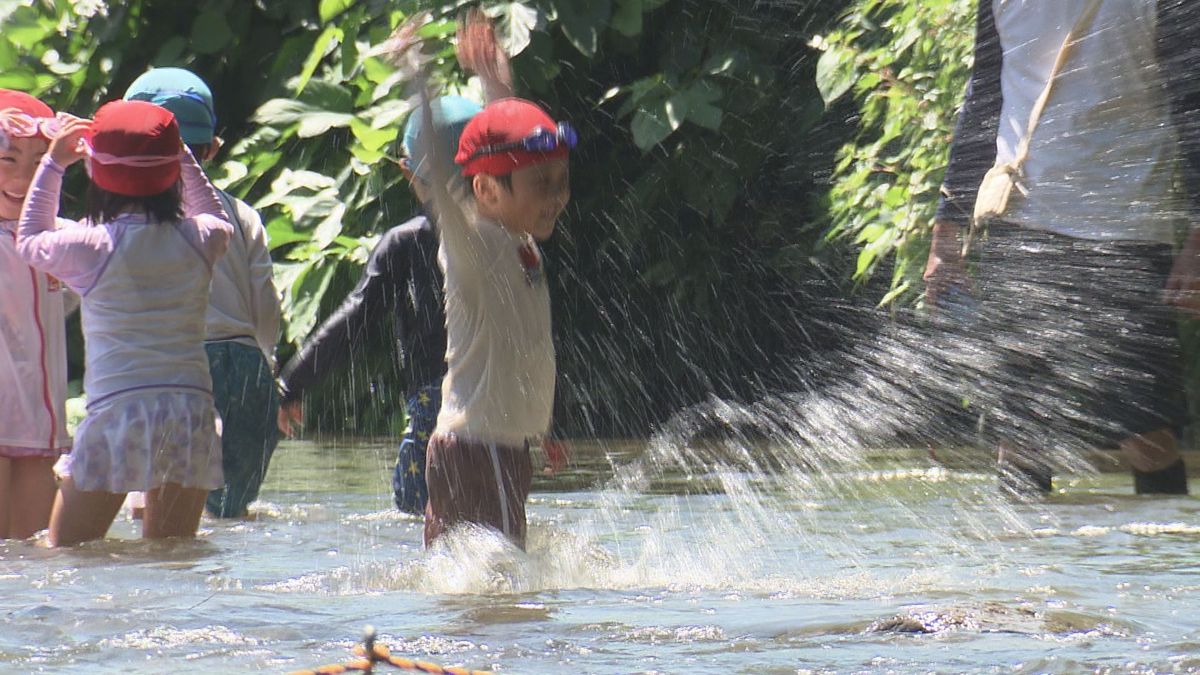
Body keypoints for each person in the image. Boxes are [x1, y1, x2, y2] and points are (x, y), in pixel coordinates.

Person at [925, 0, 1199, 495]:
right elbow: (984, 97)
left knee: (1142, 427)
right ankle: (1027, 565)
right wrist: (945, 235)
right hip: (1021, 220)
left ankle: (1167, 564)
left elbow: (1193, 104)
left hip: (1127, 225)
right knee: (1020, 424)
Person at [395, 16, 575, 548]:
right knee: (482, 590)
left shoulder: (519, 240)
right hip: (470, 451)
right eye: (542, 184)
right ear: (486, 191)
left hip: (507, 450)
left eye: (561, 182)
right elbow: (440, 175)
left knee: (502, 592)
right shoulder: (471, 245)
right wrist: (417, 80)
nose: (556, 197)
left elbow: (504, 137)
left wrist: (496, 82)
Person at [18, 100, 233, 546]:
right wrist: (181, 156)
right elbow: (216, 214)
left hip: (119, 413)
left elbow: (31, 240)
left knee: (67, 553)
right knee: (170, 556)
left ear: (96, 173)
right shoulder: (200, 240)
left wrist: (55, 163)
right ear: (173, 170)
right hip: (188, 411)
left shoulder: (92, 246)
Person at [275, 95, 480, 516]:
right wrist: (550, 419)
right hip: (501, 407)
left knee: (417, 522)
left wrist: (291, 383)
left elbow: (355, 319)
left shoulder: (405, 243)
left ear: (408, 171)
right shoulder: (505, 240)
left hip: (434, 410)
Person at [124, 67, 282, 519]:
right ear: (211, 149)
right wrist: (264, 362)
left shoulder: (131, 219)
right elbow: (265, 301)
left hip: (179, 364)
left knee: (160, 503)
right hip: (248, 366)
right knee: (230, 510)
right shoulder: (240, 214)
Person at [0, 91, 70, 539]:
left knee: (31, 566)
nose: (23, 177)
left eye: (41, 160)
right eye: (7, 160)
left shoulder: (63, 241)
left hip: (40, 428)